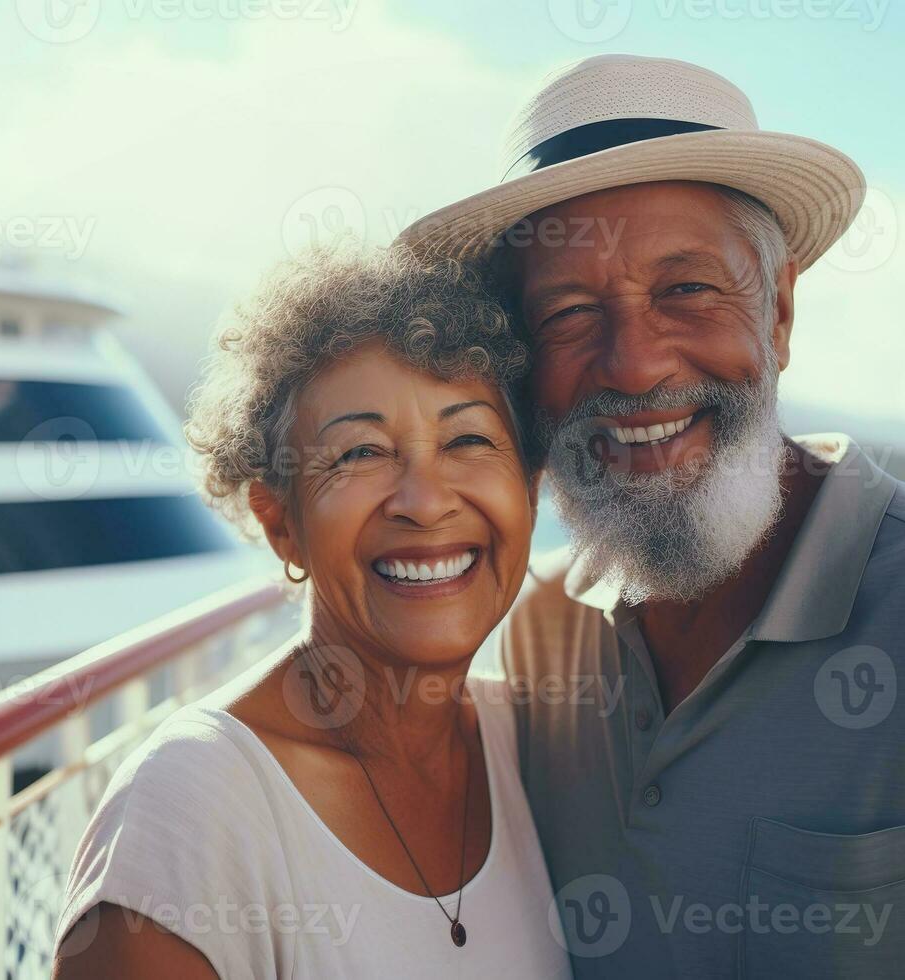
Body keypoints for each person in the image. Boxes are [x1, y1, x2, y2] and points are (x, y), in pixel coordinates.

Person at [401, 54, 905, 978]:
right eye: (570, 312)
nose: (634, 364)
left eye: (686, 290)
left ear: (779, 310)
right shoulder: (537, 637)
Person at [52, 245, 572, 978]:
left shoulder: (533, 751)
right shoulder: (192, 808)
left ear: (531, 487)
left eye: (467, 440)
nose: (424, 501)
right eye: (360, 453)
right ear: (280, 522)